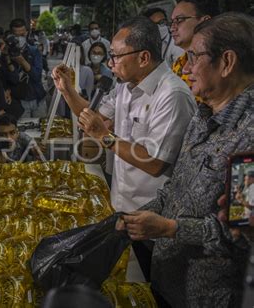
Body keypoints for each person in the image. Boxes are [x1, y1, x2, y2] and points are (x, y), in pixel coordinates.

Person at [117, 12, 254, 307]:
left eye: (193, 57)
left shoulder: (249, 139)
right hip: (168, 277)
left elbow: (241, 232)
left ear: (227, 62)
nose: (186, 67)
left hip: (207, 294)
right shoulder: (203, 116)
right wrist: (132, 218)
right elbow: (175, 188)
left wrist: (170, 229)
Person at [53, 16, 196, 212]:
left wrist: (104, 136)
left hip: (151, 213)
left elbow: (155, 163)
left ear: (143, 58)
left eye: (116, 56)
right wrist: (67, 90)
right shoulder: (125, 87)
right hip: (121, 201)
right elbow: (93, 116)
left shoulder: (172, 95)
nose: (111, 64)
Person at [170, 0, 220, 102]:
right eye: (172, 21)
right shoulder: (178, 64)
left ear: (205, 21)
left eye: (179, 20)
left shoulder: (220, 61)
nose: (172, 28)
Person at [4, 18, 46, 118]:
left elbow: (37, 76)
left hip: (37, 97)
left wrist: (22, 61)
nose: (19, 39)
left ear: (27, 33)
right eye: (16, 35)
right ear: (11, 35)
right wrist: (8, 59)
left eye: (22, 35)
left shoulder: (34, 51)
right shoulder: (6, 54)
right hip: (19, 100)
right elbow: (12, 80)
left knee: (41, 129)